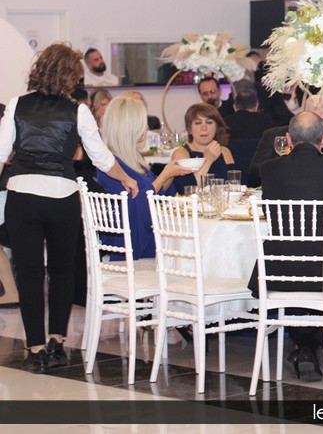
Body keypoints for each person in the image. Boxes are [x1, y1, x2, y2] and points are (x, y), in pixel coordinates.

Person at [0, 42, 138, 373]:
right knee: (62, 270)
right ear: (71, 76)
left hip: (22, 197)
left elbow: (0, 153)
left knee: (29, 274)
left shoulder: (17, 104)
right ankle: (57, 343)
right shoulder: (78, 110)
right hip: (62, 196)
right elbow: (101, 158)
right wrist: (127, 178)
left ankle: (34, 349)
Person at [246, 111, 323, 382]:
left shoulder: (269, 169)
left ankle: (305, 347)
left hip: (279, 270)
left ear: (289, 139)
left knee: (301, 293)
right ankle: (313, 342)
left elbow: (271, 213)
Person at [97, 97, 191, 260]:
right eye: (142, 123)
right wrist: (165, 174)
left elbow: (156, 192)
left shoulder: (132, 159)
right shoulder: (111, 167)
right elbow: (137, 207)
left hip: (146, 235)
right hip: (132, 244)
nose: (146, 127)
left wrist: (173, 169)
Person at [247, 95, 323, 187]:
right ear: (301, 114)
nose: (317, 125)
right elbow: (253, 177)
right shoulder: (274, 136)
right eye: (313, 118)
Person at [171, 103, 235, 194]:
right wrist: (207, 160)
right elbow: (185, 191)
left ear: (217, 127)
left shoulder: (224, 151)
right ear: (189, 129)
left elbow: (233, 187)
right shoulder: (181, 153)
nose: (204, 128)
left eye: (209, 122)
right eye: (198, 123)